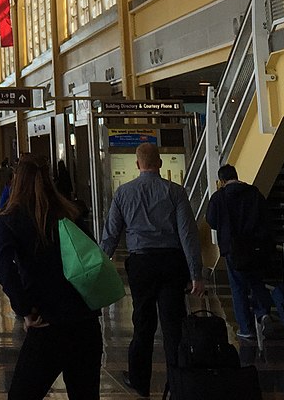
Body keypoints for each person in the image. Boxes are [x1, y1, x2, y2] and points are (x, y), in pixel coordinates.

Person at [0, 155, 102, 400]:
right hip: (85, 321)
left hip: (48, 321)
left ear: (16, 180)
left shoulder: (10, 219)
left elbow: (2, 266)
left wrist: (25, 309)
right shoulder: (70, 213)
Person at [100, 143, 204, 399]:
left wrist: (100, 267)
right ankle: (176, 384)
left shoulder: (123, 193)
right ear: (160, 163)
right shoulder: (176, 192)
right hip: (171, 263)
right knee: (173, 326)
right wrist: (196, 274)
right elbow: (187, 235)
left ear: (137, 165)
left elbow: (111, 235)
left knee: (143, 323)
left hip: (141, 264)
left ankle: (139, 381)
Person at [206, 164, 275, 340]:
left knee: (238, 287)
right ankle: (264, 313)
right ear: (236, 175)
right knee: (257, 281)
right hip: (255, 246)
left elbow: (212, 221)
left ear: (222, 181)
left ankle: (246, 328)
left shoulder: (218, 197)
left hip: (233, 249)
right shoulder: (254, 193)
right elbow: (266, 217)